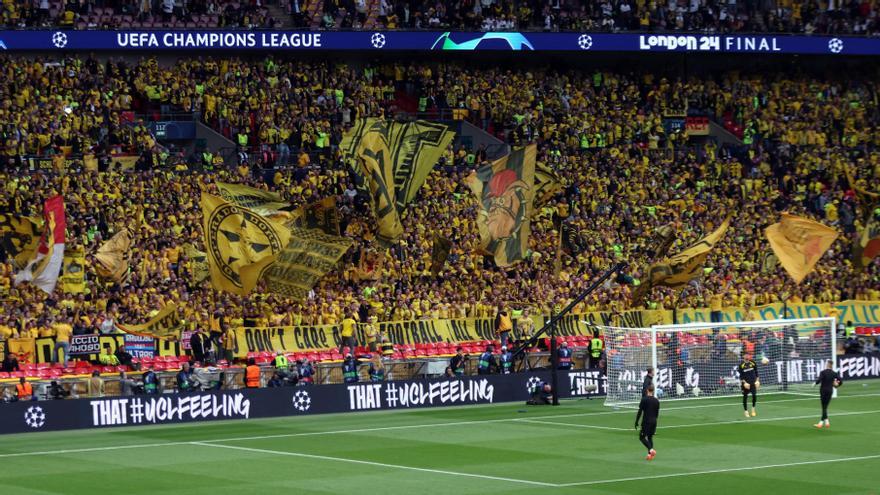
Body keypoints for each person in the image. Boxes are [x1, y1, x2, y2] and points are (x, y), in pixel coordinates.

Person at [634, 384, 660, 461]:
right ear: (653, 390)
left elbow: (640, 411)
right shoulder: (656, 401)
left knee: (641, 437)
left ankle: (651, 450)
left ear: (647, 390)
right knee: (650, 437)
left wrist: (636, 421)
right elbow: (657, 413)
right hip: (654, 421)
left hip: (646, 421)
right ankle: (649, 455)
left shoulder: (644, 399)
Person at [814, 360, 842, 428]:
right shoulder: (834, 373)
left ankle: (821, 423)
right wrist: (837, 385)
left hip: (823, 391)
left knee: (824, 407)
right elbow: (840, 381)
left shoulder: (823, 372)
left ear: (827, 364)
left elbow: (819, 380)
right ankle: (826, 422)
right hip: (830, 391)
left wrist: (815, 383)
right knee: (825, 407)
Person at [738, 352, 760, 418]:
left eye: (748, 355)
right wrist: (744, 383)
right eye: (746, 355)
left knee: (754, 395)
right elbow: (741, 376)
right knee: (745, 397)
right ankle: (746, 411)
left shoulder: (753, 363)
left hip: (753, 382)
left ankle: (753, 409)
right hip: (746, 384)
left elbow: (756, 373)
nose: (747, 356)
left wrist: (757, 381)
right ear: (743, 356)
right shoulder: (741, 365)